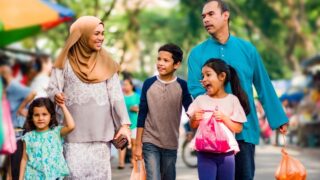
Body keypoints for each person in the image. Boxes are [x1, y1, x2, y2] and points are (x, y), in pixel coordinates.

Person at [187, 1, 288, 179]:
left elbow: (262, 84)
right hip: (213, 133)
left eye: (211, 14)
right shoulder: (197, 53)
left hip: (244, 128)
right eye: (203, 16)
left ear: (226, 15)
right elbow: (195, 88)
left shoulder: (248, 49)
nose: (206, 19)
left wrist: (278, 117)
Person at [46, 16, 131, 179]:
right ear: (81, 35)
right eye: (96, 33)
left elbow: (116, 96)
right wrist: (56, 95)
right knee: (73, 176)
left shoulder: (108, 63)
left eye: (102, 33)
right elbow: (52, 88)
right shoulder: (65, 61)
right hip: (73, 137)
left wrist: (125, 124)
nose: (101, 38)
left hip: (101, 138)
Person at [134, 43, 193, 180]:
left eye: (166, 60)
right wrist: (138, 145)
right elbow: (142, 114)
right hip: (150, 141)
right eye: (159, 59)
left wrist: (191, 130)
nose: (160, 63)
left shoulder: (182, 86)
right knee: (153, 177)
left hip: (171, 142)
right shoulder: (148, 84)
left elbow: (191, 111)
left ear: (176, 64)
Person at [187, 58, 249, 180]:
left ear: (222, 76)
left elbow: (239, 128)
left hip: (227, 154)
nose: (204, 79)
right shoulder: (200, 100)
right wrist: (194, 118)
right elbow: (193, 125)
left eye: (208, 75)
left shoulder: (232, 100)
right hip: (205, 153)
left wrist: (225, 118)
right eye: (203, 76)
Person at [19, 97, 74, 179]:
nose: (40, 118)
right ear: (32, 117)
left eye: (44, 114)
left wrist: (62, 106)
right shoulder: (28, 137)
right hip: (33, 176)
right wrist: (20, 178)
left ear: (51, 116)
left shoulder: (56, 132)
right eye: (36, 115)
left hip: (53, 176)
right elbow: (24, 159)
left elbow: (71, 126)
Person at [118, 77, 140, 169]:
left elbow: (141, 109)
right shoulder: (120, 96)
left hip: (134, 123)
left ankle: (133, 161)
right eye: (123, 84)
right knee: (122, 144)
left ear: (131, 86)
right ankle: (121, 163)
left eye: (127, 84)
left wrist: (136, 109)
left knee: (134, 143)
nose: (124, 86)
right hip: (122, 123)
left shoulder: (137, 96)